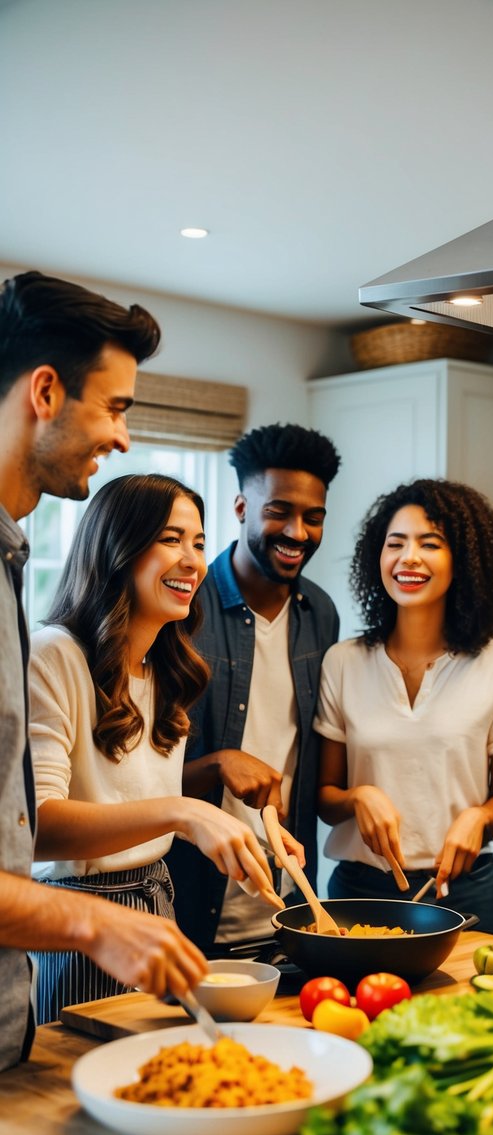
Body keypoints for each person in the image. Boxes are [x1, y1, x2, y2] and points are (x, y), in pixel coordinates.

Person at [0, 269, 206, 1069]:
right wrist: (89, 920)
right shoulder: (57, 645)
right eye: (115, 407)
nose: (123, 437)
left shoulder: (12, 568)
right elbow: (45, 821)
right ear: (46, 391)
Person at [29, 474, 298, 1021]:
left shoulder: (165, 670)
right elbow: (36, 827)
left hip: (157, 908)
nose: (194, 562)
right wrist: (185, 813)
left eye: (199, 543)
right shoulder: (54, 655)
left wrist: (244, 840)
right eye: (171, 539)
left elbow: (135, 803)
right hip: (79, 924)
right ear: (118, 546)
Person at [314, 478, 493, 933]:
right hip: (358, 889)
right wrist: (358, 797)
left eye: (430, 544)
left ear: (464, 562)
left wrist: (479, 817)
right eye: (396, 543)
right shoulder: (343, 662)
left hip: (461, 888)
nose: (409, 557)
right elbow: (325, 798)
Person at [167, 423, 341, 952]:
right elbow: (132, 776)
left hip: (289, 906)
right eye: (279, 512)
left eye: (313, 518)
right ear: (242, 508)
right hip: (186, 902)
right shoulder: (180, 609)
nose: (297, 532)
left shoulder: (321, 613)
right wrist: (219, 761)